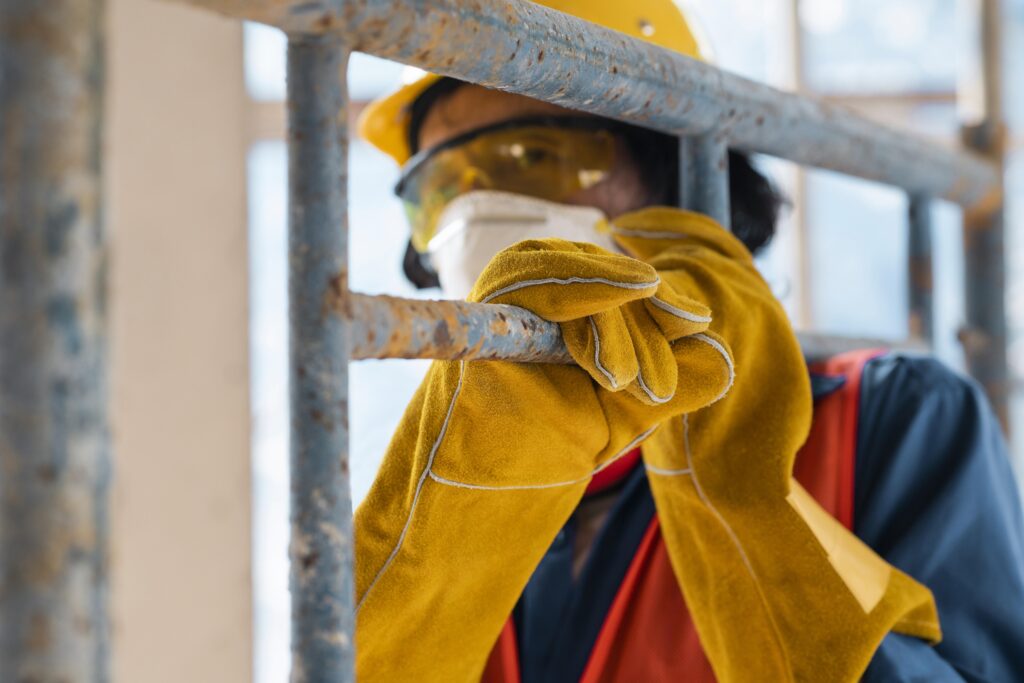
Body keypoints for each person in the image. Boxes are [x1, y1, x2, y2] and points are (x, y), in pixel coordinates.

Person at [352, 1, 1024, 681]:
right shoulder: (447, 471)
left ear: (671, 175)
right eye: (439, 190)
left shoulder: (887, 418)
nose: (473, 213)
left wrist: (747, 509)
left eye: (532, 157)